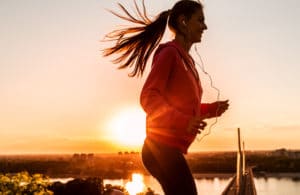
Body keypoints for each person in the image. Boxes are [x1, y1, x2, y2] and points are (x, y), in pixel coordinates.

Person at [103, 0, 229, 194]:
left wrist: (211, 109)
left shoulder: (186, 61)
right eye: (200, 20)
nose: (205, 26)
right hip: (160, 149)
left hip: (168, 150)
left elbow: (185, 107)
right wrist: (183, 121)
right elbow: (149, 97)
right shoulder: (169, 53)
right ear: (183, 22)